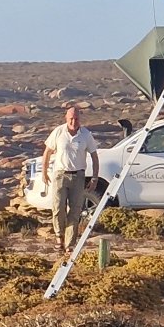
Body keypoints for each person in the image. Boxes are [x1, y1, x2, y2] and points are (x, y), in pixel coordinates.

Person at [39, 103, 101, 253]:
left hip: (78, 176)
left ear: (80, 119)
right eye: (71, 118)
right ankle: (59, 237)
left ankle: (70, 243)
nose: (74, 122)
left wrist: (94, 178)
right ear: (66, 118)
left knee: (75, 210)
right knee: (58, 207)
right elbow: (47, 152)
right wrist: (44, 172)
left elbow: (94, 156)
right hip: (60, 174)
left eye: (76, 119)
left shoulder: (86, 134)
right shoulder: (58, 132)